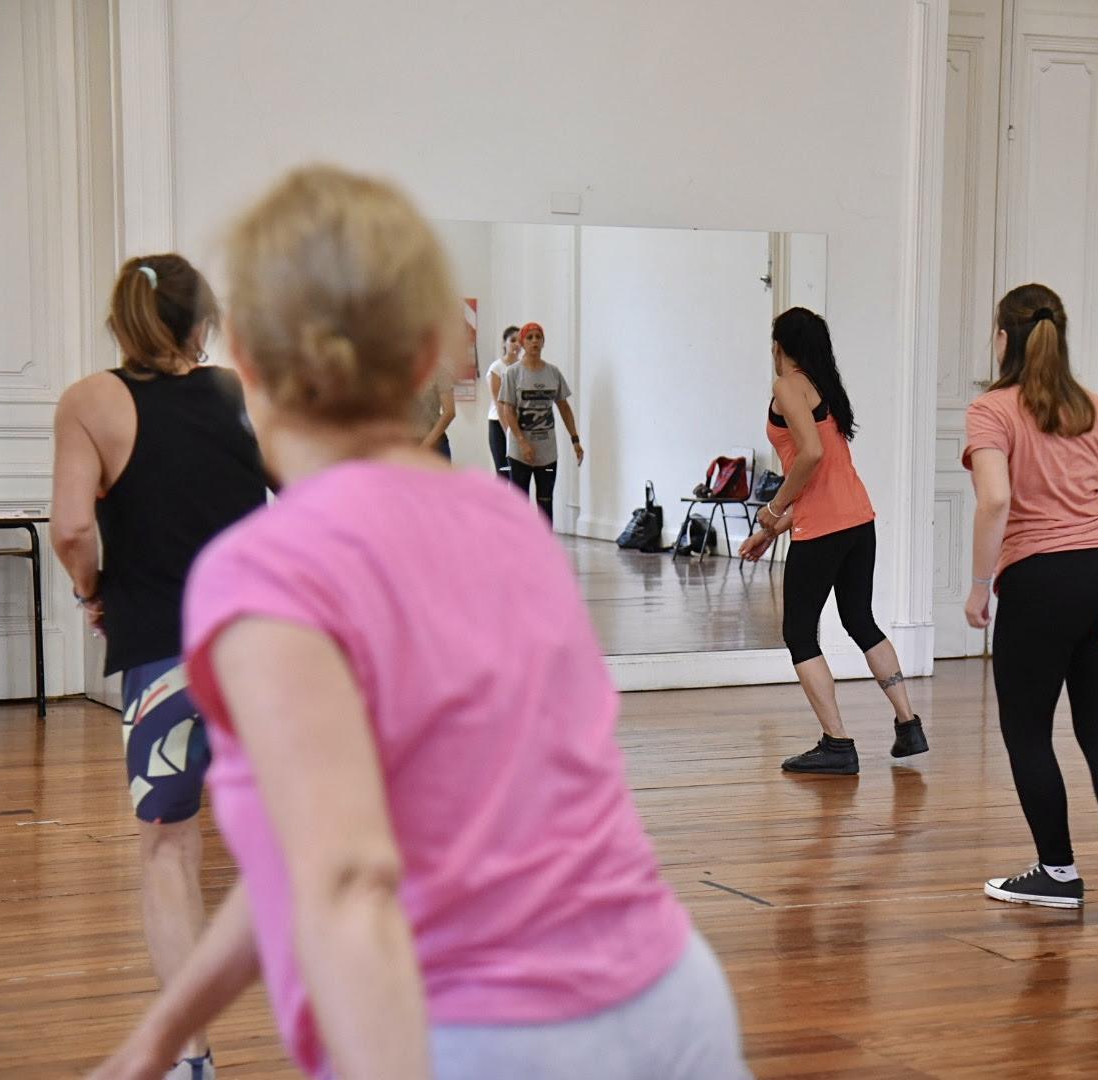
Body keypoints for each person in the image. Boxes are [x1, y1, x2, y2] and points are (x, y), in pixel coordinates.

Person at [87, 165, 750, 1080]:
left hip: (479, 1036)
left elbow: (348, 881)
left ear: (243, 350)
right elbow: (307, 844)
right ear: (430, 350)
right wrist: (164, 1035)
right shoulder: (509, 524)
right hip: (670, 1003)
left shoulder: (263, 572)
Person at [53, 254, 270, 1080]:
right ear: (202, 324)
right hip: (264, 649)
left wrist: (93, 591)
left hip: (167, 654)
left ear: (121, 324)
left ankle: (190, 1060)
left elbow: (72, 527)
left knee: (171, 849)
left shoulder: (90, 401)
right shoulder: (241, 390)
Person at [963, 284, 1098, 913]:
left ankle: (1059, 874)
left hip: (1040, 581)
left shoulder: (992, 410)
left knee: (1027, 730)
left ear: (1001, 338)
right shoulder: (1095, 408)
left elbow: (995, 500)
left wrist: (978, 584)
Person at [739, 307, 927, 775]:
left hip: (822, 528)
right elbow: (825, 475)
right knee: (860, 620)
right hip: (858, 521)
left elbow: (811, 456)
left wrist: (772, 510)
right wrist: (770, 532)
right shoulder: (825, 387)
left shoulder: (788, 386)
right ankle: (908, 724)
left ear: (779, 346)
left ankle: (837, 744)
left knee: (799, 633)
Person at [497, 322, 583, 521]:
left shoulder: (553, 373)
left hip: (547, 452)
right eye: (529, 337)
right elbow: (508, 409)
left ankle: (544, 548)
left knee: (545, 501)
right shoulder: (513, 373)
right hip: (520, 452)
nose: (534, 341)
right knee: (520, 502)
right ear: (522, 343)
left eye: (538, 337)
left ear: (543, 342)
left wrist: (575, 439)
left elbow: (563, 407)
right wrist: (522, 442)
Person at [485, 325, 518, 479]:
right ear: (504, 343)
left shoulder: (522, 367)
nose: (516, 344)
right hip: (499, 423)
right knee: (503, 471)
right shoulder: (497, 368)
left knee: (518, 473)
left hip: (518, 421)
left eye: (520, 341)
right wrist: (509, 432)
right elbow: (499, 403)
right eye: (512, 340)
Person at [409, 362, 457, 460]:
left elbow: (449, 412)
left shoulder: (440, 372)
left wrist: (424, 446)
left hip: (435, 445)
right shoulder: (396, 373)